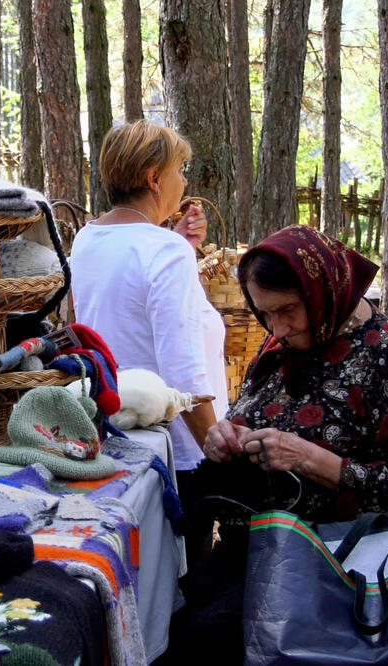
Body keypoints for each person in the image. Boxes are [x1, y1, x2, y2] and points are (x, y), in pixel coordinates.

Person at [170, 224, 388, 663]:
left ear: (321, 289)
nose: (278, 327)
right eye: (265, 313)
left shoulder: (386, 352)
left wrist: (309, 459)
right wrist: (223, 437)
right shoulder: (279, 343)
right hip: (251, 553)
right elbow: (242, 416)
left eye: (288, 310)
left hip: (328, 566)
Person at [70, 119, 228, 492]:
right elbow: (182, 369)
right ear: (154, 178)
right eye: (179, 171)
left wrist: (175, 243)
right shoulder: (165, 251)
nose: (184, 183)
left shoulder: (87, 238)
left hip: (114, 429)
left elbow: (126, 303)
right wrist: (218, 452)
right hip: (178, 449)